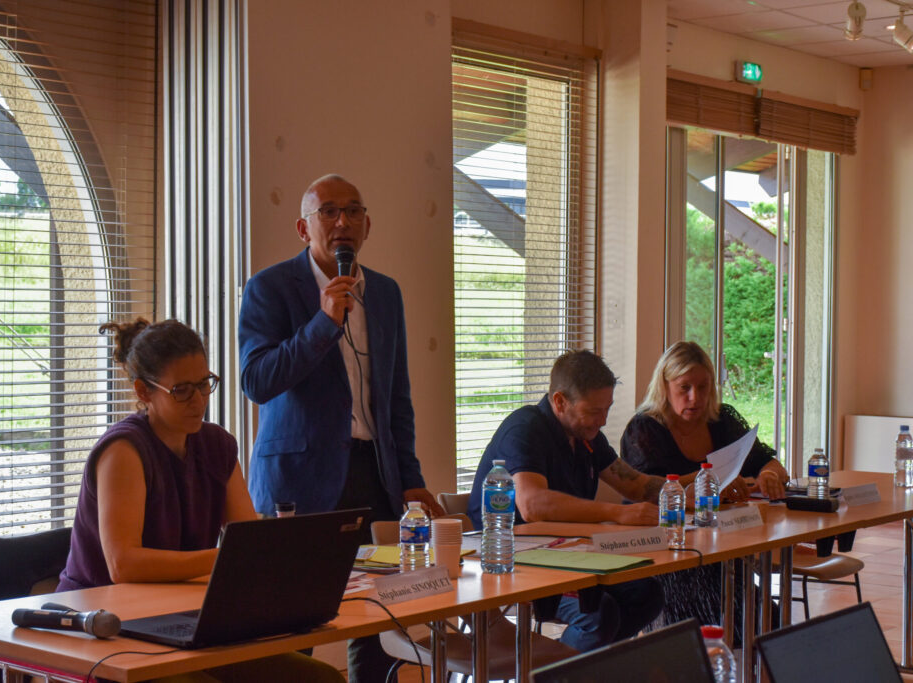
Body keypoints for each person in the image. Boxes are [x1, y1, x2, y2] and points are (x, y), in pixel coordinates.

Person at [238, 174, 443, 682]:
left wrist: (411, 477)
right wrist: (323, 323)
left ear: (368, 224)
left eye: (352, 211)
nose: (342, 222)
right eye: (328, 211)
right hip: (300, 482)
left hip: (375, 474)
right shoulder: (270, 287)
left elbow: (397, 396)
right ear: (303, 228)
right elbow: (256, 381)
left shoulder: (387, 294)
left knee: (380, 617)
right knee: (295, 627)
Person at [58, 318, 342, 683]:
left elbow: (248, 540)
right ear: (144, 392)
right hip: (104, 628)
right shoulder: (125, 449)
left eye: (205, 384)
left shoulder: (217, 446)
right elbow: (123, 564)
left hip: (176, 622)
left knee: (321, 680)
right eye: (182, 390)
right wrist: (226, 559)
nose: (199, 400)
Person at [467, 350, 665, 652]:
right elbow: (532, 505)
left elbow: (636, 485)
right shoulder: (525, 429)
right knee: (598, 615)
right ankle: (557, 674)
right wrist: (619, 514)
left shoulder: (586, 434)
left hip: (569, 553)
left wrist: (691, 489)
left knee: (646, 594)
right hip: (512, 560)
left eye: (607, 409)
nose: (603, 420)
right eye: (594, 411)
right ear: (560, 401)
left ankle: (586, 670)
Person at [620, 340, 790, 641]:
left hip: (722, 546)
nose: (694, 397)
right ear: (664, 385)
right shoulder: (644, 429)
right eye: (684, 387)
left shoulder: (722, 420)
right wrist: (711, 483)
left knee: (767, 620)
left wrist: (767, 475)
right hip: (667, 553)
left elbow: (772, 464)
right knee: (720, 619)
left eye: (703, 386)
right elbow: (647, 489)